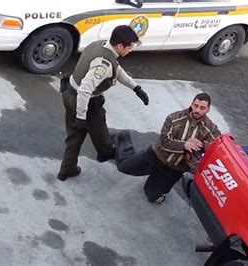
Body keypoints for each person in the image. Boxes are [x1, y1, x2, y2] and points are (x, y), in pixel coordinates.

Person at [57, 25, 149, 181]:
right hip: (86, 101)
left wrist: (136, 87)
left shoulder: (100, 45)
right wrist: (81, 116)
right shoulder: (103, 64)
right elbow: (86, 90)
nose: (131, 50)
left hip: (69, 93)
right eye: (130, 47)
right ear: (120, 46)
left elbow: (117, 70)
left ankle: (66, 169)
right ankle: (105, 153)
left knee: (75, 136)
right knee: (99, 128)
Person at [115, 93, 221, 203]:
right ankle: (123, 138)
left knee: (153, 197)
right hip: (156, 156)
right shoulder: (174, 118)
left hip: (174, 169)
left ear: (208, 109)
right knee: (123, 166)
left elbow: (219, 144)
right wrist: (184, 145)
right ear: (192, 104)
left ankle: (156, 183)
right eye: (196, 105)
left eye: (202, 108)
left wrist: (202, 144)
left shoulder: (210, 127)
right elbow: (164, 141)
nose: (197, 110)